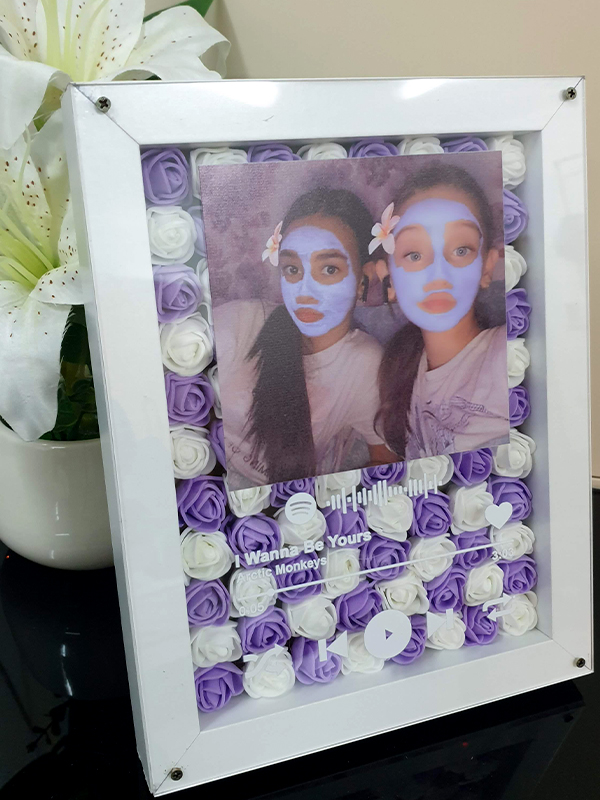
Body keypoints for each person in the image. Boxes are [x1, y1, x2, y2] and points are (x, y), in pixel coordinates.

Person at [214, 187, 394, 488]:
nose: (305, 292)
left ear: (363, 280)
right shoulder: (237, 323)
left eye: (329, 269)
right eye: (292, 269)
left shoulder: (364, 366)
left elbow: (386, 462)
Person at [370, 163, 509, 461]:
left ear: (487, 267)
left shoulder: (507, 356)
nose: (438, 275)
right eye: (414, 254)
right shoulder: (398, 370)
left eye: (461, 250)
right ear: (388, 279)